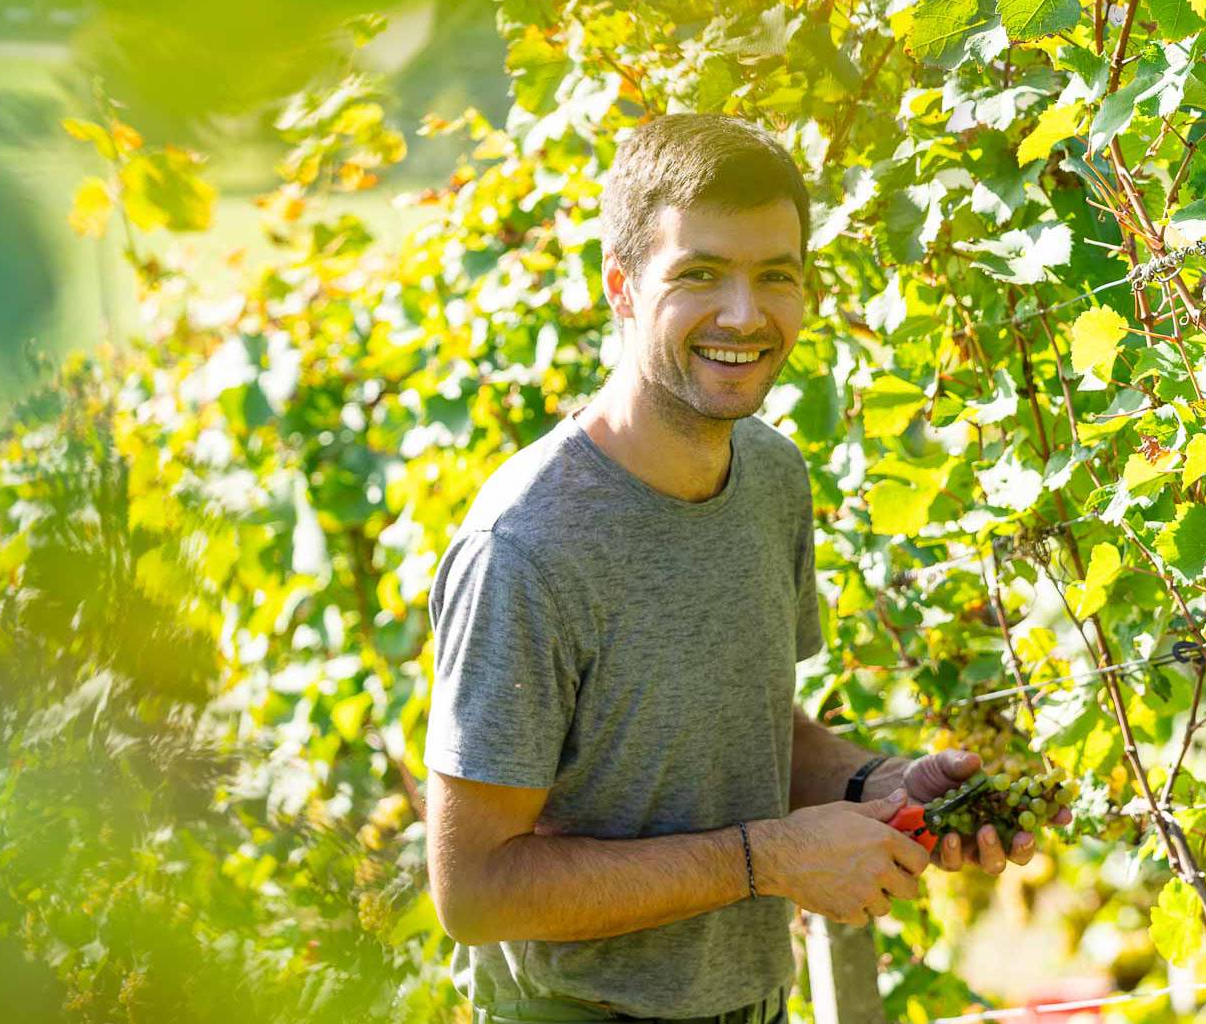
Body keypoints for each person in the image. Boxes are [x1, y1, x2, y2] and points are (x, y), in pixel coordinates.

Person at [424, 114, 1038, 1024]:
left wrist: (877, 785)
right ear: (622, 287)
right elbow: (473, 892)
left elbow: (752, 732)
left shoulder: (772, 478)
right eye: (700, 275)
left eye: (776, 276)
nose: (746, 315)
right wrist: (767, 860)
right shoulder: (526, 548)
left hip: (754, 1004)